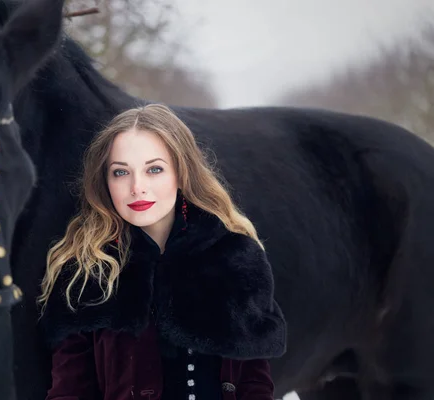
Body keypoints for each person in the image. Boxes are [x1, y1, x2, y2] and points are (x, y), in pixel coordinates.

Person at [37, 104, 287, 400]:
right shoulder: (86, 271)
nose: (137, 187)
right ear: (106, 181)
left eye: (154, 169)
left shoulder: (234, 257)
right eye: (120, 172)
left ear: (181, 173)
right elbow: (70, 391)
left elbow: (254, 383)